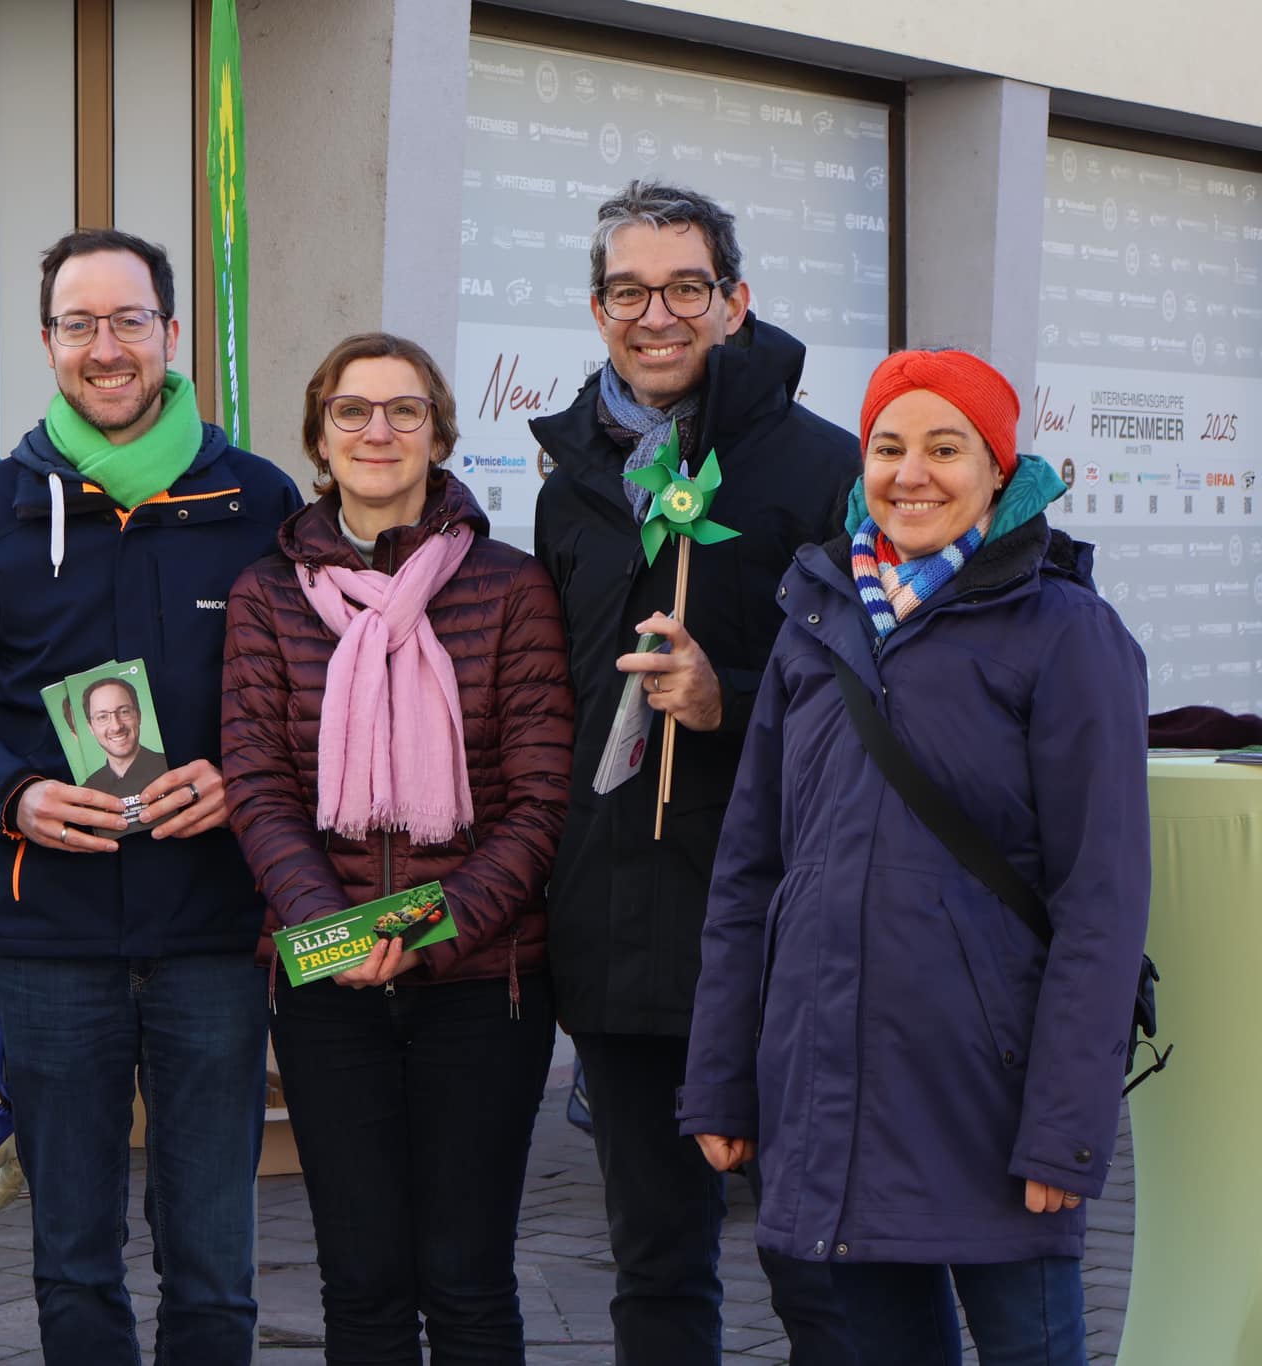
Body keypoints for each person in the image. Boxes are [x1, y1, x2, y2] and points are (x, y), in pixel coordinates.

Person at [679, 349, 1149, 1365]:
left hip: (989, 1100)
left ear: (996, 468)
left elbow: (1099, 900)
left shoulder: (1065, 632)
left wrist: (1065, 1126)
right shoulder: (814, 622)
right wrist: (719, 1078)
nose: (911, 473)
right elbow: (748, 872)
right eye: (887, 447)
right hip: (828, 1091)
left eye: (946, 447)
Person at [0, 227, 302, 1364]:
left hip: (215, 931)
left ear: (171, 336)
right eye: (80, 324)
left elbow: (313, 704)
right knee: (71, 1258)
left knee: (213, 1261)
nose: (105, 346)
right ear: (46, 342)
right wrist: (12, 795)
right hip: (49, 934)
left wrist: (244, 773)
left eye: (129, 321)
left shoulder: (258, 503)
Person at [529, 179, 858, 1364]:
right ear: (595, 306)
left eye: (684, 287)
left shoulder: (821, 469)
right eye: (628, 289)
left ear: (733, 301)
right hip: (615, 920)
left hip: (774, 923)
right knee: (653, 1267)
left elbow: (874, 692)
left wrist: (730, 697)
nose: (655, 313)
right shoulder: (568, 481)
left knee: (817, 1263)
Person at [222, 333, 572, 1362]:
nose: (377, 430)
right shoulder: (267, 595)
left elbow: (540, 801)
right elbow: (257, 786)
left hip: (481, 979)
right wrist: (328, 923)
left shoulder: (510, 589)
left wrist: (424, 927)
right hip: (325, 978)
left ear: (437, 434)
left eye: (403, 410)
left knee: (466, 1278)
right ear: (318, 439)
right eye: (351, 411)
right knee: (362, 1282)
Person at [79, 676, 167, 800]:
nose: (116, 726)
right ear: (91, 727)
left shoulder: (172, 768)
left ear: (138, 716)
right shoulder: (87, 790)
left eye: (124, 712)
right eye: (102, 717)